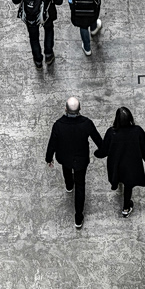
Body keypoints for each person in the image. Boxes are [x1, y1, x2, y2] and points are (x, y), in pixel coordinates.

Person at [45, 96, 103, 229]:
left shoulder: (58, 125)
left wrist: (49, 158)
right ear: (80, 109)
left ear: (65, 109)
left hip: (65, 157)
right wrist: (100, 153)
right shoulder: (87, 123)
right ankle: (78, 217)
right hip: (81, 160)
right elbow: (99, 142)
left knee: (66, 170)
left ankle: (69, 185)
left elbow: (52, 144)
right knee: (81, 186)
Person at [96, 107, 145, 217]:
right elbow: (143, 146)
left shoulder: (111, 132)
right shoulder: (138, 131)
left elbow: (104, 151)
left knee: (117, 176)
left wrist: (97, 153)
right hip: (131, 165)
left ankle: (116, 184)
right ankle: (126, 208)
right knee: (128, 186)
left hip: (116, 164)